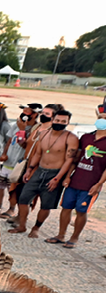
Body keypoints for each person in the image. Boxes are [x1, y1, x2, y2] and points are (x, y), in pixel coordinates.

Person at [9, 109, 78, 238]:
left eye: (63, 121)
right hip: (39, 171)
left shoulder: (71, 138)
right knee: (23, 198)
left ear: (68, 122)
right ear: (53, 120)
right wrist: (29, 169)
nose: (59, 123)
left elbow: (69, 160)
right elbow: (38, 153)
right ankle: (22, 225)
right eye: (57, 120)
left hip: (55, 173)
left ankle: (36, 228)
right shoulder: (44, 134)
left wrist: (57, 178)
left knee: (46, 204)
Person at [47, 102, 106, 248]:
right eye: (100, 117)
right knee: (66, 207)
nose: (102, 120)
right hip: (75, 181)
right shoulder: (86, 137)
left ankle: (74, 237)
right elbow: (75, 159)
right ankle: (61, 235)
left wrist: (98, 184)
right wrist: (67, 176)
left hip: (90, 184)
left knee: (81, 210)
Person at [0, 105, 40, 216]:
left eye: (27, 111)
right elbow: (10, 140)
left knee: (13, 188)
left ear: (34, 114)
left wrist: (22, 130)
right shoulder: (17, 124)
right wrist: (4, 153)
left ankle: (11, 209)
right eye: (23, 111)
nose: (23, 113)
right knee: (0, 185)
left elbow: (25, 145)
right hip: (8, 160)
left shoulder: (36, 129)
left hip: (19, 163)